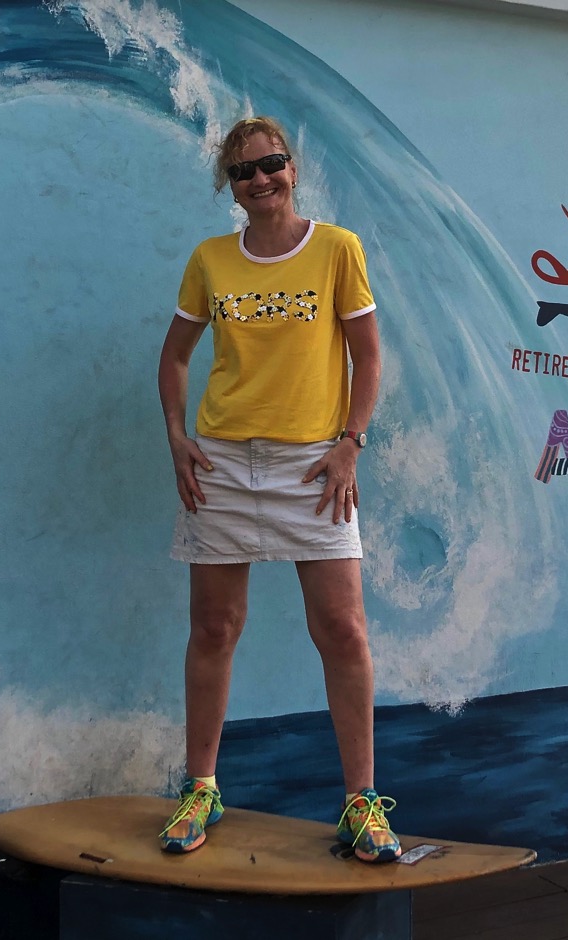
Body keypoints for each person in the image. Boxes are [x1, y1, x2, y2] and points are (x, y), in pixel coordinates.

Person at [156, 116, 399, 863]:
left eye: (271, 164)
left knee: (343, 631)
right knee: (215, 629)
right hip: (224, 464)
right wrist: (177, 437)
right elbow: (173, 360)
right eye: (242, 172)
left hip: (314, 468)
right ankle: (202, 789)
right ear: (229, 188)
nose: (259, 180)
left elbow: (367, 357)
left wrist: (350, 445)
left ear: (293, 170)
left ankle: (362, 805)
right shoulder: (209, 260)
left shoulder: (336, 249)